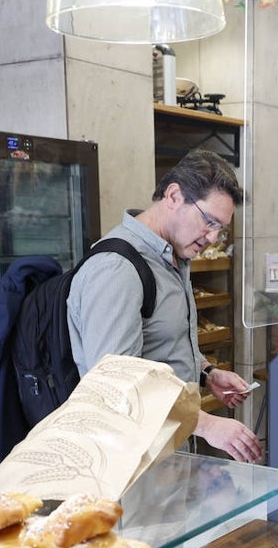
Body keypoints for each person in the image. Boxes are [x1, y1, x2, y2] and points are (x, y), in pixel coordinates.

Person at [67, 150, 263, 463]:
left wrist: (206, 372)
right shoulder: (116, 269)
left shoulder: (173, 257)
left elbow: (161, 345)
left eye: (220, 229)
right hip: (129, 465)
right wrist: (207, 424)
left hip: (169, 456)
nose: (212, 237)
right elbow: (117, 387)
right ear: (173, 195)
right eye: (208, 221)